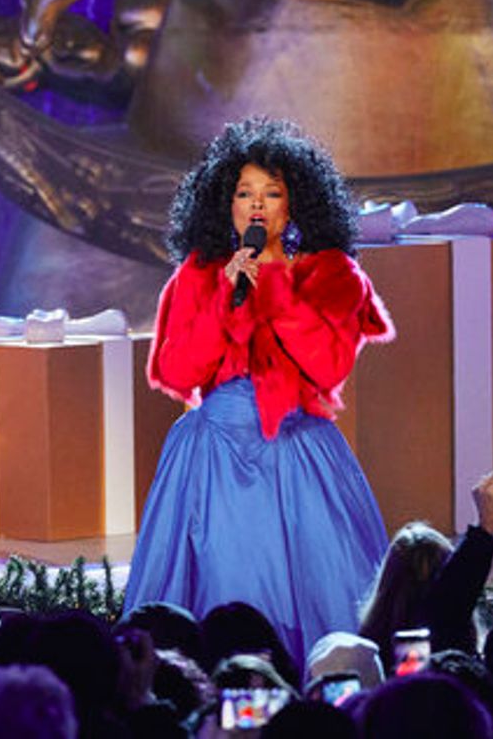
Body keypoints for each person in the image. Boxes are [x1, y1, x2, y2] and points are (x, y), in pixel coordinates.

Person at [124, 117, 394, 665]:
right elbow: (177, 371)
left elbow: (327, 363)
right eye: (244, 192)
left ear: (295, 204)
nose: (256, 205)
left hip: (297, 451)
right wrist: (222, 299)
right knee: (220, 585)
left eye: (272, 193)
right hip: (210, 455)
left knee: (321, 593)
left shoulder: (333, 273)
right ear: (224, 202)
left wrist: (273, 280)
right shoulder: (198, 274)